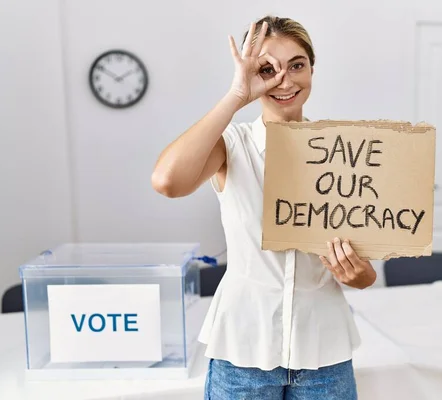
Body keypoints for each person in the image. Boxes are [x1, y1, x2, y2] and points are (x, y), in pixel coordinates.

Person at [152, 15, 377, 400]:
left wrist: (358, 275)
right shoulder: (231, 146)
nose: (285, 81)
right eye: (267, 69)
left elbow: (365, 273)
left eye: (297, 65)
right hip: (243, 354)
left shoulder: (343, 155)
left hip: (324, 354)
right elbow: (167, 181)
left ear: (312, 68)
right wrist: (237, 96)